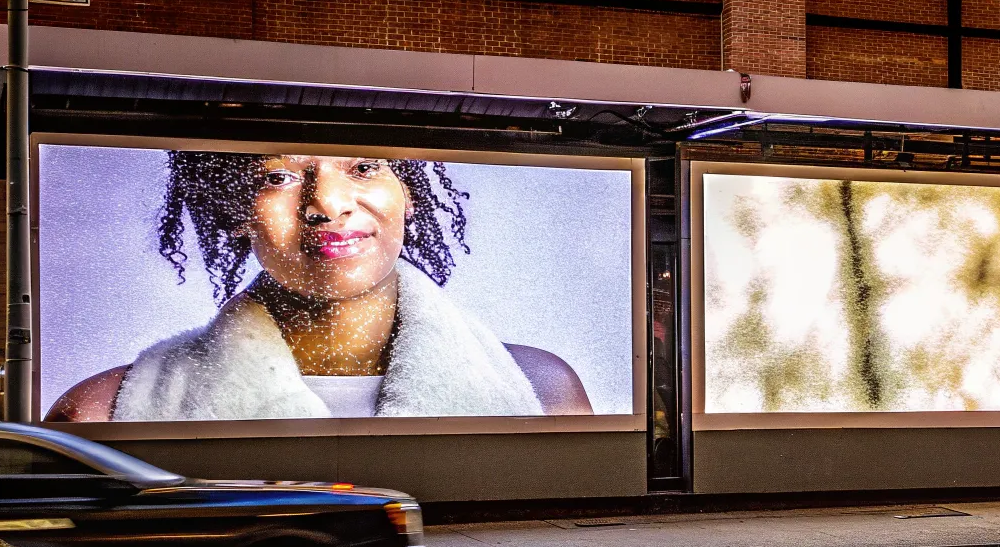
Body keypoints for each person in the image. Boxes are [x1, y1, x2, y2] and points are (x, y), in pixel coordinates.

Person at [47, 151, 592, 421]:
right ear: (235, 211)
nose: (328, 204)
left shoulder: (546, 389)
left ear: (408, 195)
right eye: (277, 177)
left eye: (364, 167)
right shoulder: (100, 410)